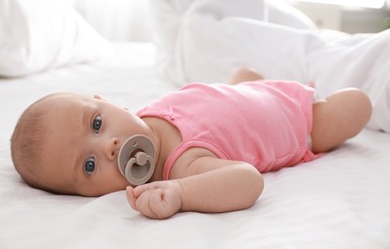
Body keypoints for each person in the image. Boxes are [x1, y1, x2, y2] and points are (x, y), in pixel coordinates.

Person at [11, 68, 372, 219]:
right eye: (89, 166)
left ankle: (256, 79)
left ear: (110, 103)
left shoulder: (143, 115)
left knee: (243, 74)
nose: (108, 146)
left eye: (97, 122)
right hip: (297, 121)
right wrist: (182, 192)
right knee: (357, 104)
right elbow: (248, 180)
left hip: (243, 92)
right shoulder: (184, 165)